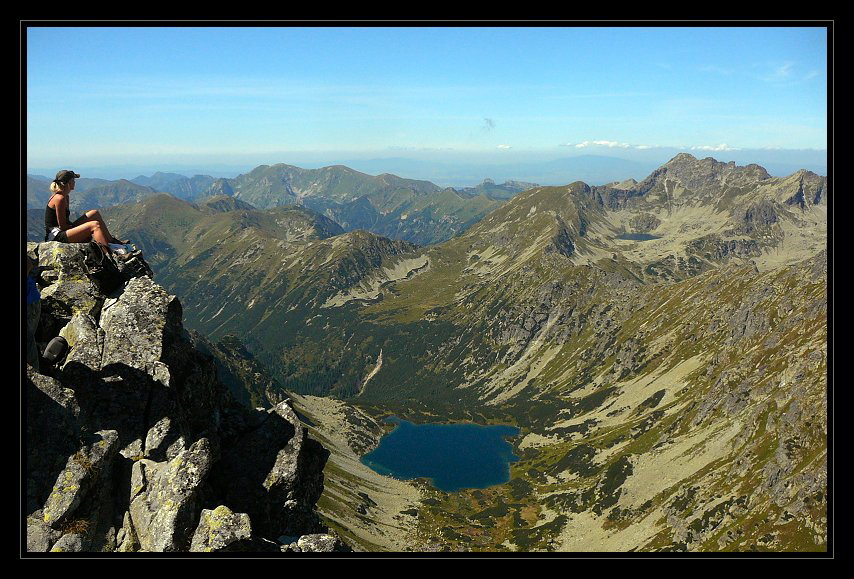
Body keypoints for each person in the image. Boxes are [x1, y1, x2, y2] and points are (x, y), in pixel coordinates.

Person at [44, 169, 128, 251]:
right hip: (56, 236)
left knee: (94, 213)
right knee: (94, 225)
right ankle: (109, 253)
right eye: (73, 180)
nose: (75, 182)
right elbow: (62, 226)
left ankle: (112, 241)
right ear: (69, 183)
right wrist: (82, 229)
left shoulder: (65, 196)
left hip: (63, 230)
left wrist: (79, 229)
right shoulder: (60, 198)